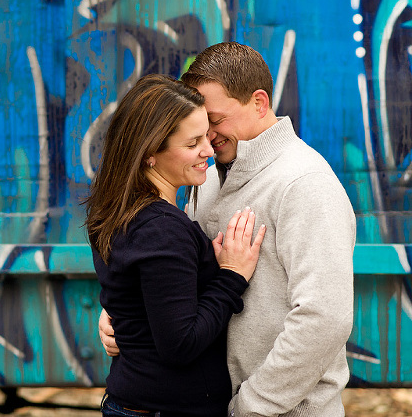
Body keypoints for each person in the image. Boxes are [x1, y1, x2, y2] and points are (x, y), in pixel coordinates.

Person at [99, 42, 356, 416]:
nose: (208, 137)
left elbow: (324, 319)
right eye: (198, 129)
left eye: (215, 121)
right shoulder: (209, 174)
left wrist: (251, 407)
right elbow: (172, 274)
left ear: (259, 102)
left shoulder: (305, 184)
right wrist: (129, 311)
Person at [85, 73, 265, 417]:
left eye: (207, 136)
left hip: (138, 401)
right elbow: (180, 345)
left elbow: (141, 296)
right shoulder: (162, 229)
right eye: (192, 143)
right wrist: (230, 276)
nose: (208, 151)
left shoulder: (117, 210)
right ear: (150, 152)